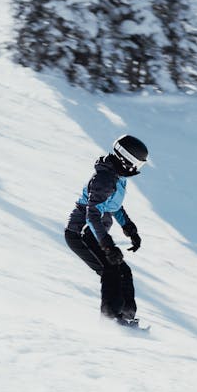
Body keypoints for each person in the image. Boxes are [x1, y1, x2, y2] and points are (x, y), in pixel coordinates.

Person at [65, 134, 148, 325]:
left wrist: (129, 228)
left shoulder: (117, 177)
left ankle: (126, 316)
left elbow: (113, 206)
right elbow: (92, 215)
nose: (136, 168)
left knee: (123, 270)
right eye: (137, 163)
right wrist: (108, 246)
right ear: (125, 159)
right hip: (80, 232)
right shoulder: (104, 179)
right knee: (111, 269)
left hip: (93, 232)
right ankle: (110, 319)